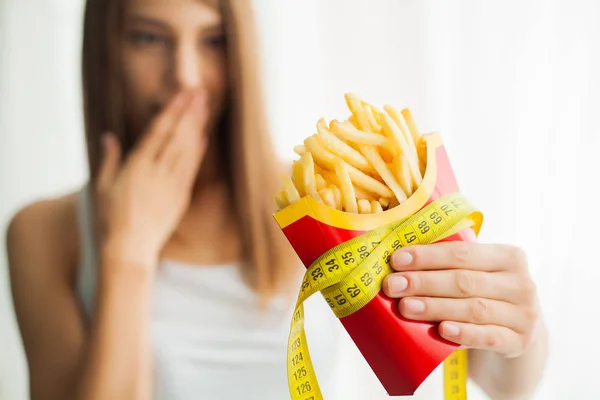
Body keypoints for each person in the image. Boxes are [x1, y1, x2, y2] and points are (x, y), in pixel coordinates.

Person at [5, 0, 548, 399]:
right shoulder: (46, 232)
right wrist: (127, 254)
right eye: (149, 38)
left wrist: (515, 330)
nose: (185, 78)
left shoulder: (320, 197)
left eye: (213, 40)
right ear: (106, 51)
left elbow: (478, 367)